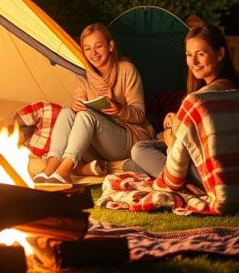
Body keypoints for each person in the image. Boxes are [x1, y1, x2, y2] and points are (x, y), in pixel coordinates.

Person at [125, 22, 239, 182]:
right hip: (225, 163)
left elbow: (180, 147)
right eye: (189, 54)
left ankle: (180, 185)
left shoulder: (204, 96)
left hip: (213, 171)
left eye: (201, 54)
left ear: (220, 54)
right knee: (137, 160)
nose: (194, 62)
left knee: (139, 151)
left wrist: (168, 133)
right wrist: (176, 120)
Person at [33, 23, 154, 185]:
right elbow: (77, 115)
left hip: (127, 137)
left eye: (98, 47)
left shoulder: (126, 70)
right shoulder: (83, 74)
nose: (93, 53)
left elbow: (139, 114)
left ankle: (65, 171)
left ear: (110, 46)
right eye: (87, 48)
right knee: (67, 112)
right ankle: (52, 166)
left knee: (85, 116)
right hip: (96, 143)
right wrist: (77, 106)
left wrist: (118, 108)